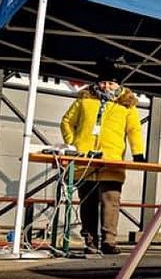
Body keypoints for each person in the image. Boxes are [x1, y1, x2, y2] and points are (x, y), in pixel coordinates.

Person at [60, 58, 145, 255]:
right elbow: (66, 122)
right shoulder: (84, 100)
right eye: (103, 82)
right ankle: (90, 240)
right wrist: (74, 144)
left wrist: (138, 153)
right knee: (87, 202)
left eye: (111, 82)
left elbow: (134, 130)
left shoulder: (127, 106)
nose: (106, 86)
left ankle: (109, 241)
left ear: (119, 84)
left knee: (111, 201)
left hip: (111, 161)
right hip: (84, 161)